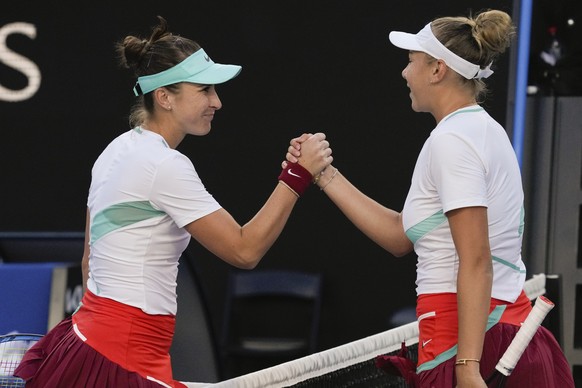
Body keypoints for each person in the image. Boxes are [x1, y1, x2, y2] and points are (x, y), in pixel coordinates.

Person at [14, 16, 331, 388]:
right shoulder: (164, 164)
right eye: (204, 90)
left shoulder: (114, 151)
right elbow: (245, 250)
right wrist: (297, 175)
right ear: (164, 97)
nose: (217, 101)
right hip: (124, 356)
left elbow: (89, 263)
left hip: (85, 341)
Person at [287, 9, 574, 388]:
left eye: (411, 62)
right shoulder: (481, 130)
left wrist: (467, 367)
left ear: (437, 70)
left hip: (470, 343)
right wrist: (323, 174)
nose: (405, 73)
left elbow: (475, 260)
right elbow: (399, 237)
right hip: (496, 333)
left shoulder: (452, 141)